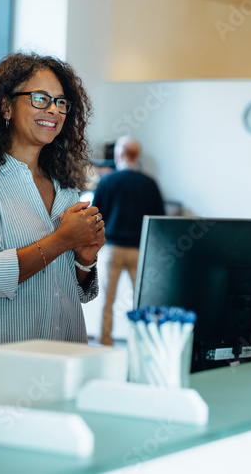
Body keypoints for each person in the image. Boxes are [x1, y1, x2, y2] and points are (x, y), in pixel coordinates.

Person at [0, 53, 106, 378]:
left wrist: (84, 260)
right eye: (41, 99)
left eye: (61, 102)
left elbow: (69, 290)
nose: (54, 110)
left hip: (63, 364)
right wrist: (62, 239)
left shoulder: (66, 188)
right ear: (5, 106)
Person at [93, 136, 165, 346]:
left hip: (113, 249)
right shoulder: (149, 183)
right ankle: (140, 341)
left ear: (118, 155)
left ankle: (105, 341)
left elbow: (96, 215)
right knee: (140, 300)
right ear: (137, 156)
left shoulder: (107, 181)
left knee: (108, 299)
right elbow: (158, 220)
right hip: (139, 250)